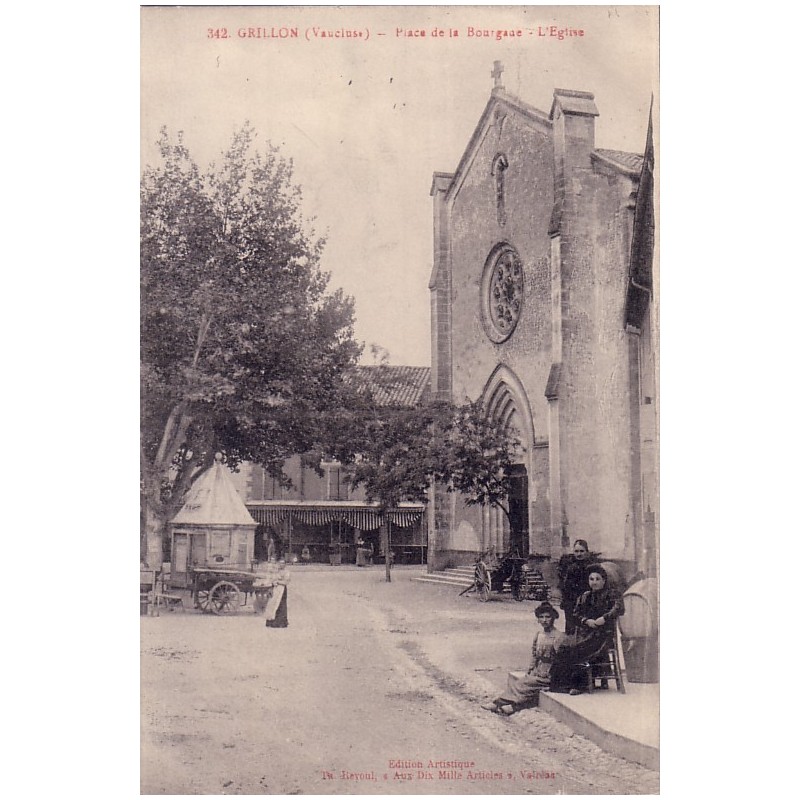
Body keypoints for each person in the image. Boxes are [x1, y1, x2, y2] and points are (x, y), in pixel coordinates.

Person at [549, 564, 624, 695]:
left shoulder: (612, 595)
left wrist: (604, 618)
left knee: (578, 648)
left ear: (604, 581)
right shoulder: (585, 596)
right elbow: (576, 613)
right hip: (585, 632)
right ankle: (561, 684)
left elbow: (619, 608)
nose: (594, 582)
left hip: (603, 636)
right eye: (591, 579)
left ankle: (579, 685)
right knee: (563, 644)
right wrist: (586, 621)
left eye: (597, 579)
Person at [481, 602, 567, 715]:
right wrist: (531, 669)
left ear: (553, 618)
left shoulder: (558, 636)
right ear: (538, 619)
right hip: (537, 671)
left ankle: (497, 703)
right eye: (541, 617)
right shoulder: (539, 634)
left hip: (549, 674)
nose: (544, 620)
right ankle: (513, 707)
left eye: (547, 617)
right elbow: (534, 654)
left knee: (523, 685)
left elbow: (561, 660)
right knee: (524, 683)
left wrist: (552, 677)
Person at [558, 539, 593, 636]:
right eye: (576, 551)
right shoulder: (567, 565)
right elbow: (563, 584)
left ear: (587, 552)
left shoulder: (591, 566)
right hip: (570, 601)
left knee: (584, 626)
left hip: (585, 601)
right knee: (570, 627)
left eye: (582, 551)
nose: (579, 554)